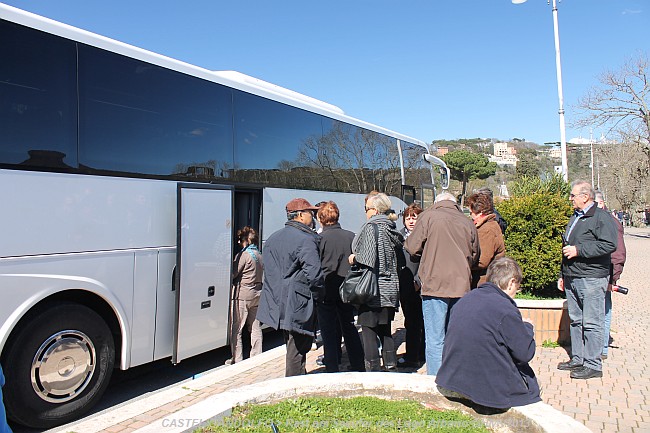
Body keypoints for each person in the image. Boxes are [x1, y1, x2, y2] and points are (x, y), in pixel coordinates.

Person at [436, 257, 541, 409]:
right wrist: (527, 328)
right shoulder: (505, 309)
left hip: (452, 378)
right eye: (518, 286)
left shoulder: (466, 299)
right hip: (487, 389)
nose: (516, 291)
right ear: (511, 282)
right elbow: (525, 353)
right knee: (531, 384)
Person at [404, 192, 480, 375]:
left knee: (435, 339)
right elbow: (476, 256)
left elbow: (411, 246)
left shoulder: (428, 217)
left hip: (434, 284)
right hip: (461, 286)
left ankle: (436, 382)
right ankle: (454, 378)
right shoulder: (467, 222)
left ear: (438, 203)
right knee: (454, 337)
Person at [257, 198, 325, 376]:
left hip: (278, 301)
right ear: (301, 216)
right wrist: (320, 296)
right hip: (298, 303)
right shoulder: (306, 240)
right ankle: (294, 386)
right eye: (311, 213)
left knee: (292, 345)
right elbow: (315, 275)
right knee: (297, 349)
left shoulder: (273, 238)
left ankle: (298, 378)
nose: (314, 217)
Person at [557, 181, 617, 380]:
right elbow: (566, 246)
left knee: (592, 322)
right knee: (576, 321)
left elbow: (609, 244)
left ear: (585, 196)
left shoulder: (601, 217)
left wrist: (580, 251)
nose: (570, 198)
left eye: (573, 195)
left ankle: (593, 364)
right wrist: (562, 274)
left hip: (592, 277)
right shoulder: (576, 217)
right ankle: (578, 358)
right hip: (572, 276)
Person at [349, 192, 404, 371]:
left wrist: (353, 258)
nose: (365, 212)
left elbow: (367, 258)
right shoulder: (392, 227)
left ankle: (372, 371)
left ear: (373, 210)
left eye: (366, 209)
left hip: (372, 288)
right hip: (390, 288)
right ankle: (390, 366)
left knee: (368, 331)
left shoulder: (371, 227)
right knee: (385, 329)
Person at [315, 201, 365, 372]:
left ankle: (331, 365)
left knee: (328, 331)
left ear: (320, 219)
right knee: (349, 327)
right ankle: (358, 364)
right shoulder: (351, 236)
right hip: (347, 289)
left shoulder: (318, 240)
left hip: (327, 290)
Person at [594, 191, 626, 359]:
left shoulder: (611, 222)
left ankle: (602, 348)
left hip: (606, 275)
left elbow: (618, 253)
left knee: (604, 311)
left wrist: (613, 278)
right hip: (595, 274)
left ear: (601, 203)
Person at [227, 226, 264, 365]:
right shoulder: (259, 254)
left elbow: (233, 274)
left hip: (243, 295)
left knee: (237, 328)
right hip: (257, 293)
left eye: (239, 240)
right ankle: (256, 356)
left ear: (245, 241)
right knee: (255, 327)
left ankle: (237, 359)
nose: (238, 243)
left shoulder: (244, 255)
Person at [397, 203, 425, 368]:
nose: (411, 221)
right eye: (408, 218)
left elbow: (426, 262)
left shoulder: (424, 237)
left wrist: (418, 280)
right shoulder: (399, 237)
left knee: (416, 322)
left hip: (418, 285)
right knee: (409, 320)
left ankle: (414, 356)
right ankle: (415, 353)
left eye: (414, 217)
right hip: (403, 284)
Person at [466, 192, 506, 288]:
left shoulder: (487, 229)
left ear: (480, 212)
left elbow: (482, 261)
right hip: (484, 280)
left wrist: (463, 262)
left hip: (483, 281)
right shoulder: (488, 225)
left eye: (471, 213)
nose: (470, 216)